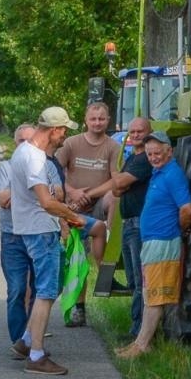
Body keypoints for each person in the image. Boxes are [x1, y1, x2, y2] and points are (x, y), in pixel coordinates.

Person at [9, 106, 86, 375]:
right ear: (53, 130)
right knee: (46, 292)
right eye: (63, 130)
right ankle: (37, 356)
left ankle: (26, 342)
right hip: (40, 230)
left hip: (32, 229)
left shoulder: (24, 152)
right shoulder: (34, 159)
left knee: (45, 289)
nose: (64, 135)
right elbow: (46, 202)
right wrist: (74, 217)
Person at [116, 130, 191, 359]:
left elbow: (187, 208)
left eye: (157, 153)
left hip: (163, 241)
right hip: (153, 242)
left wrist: (180, 229)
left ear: (169, 151)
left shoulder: (172, 174)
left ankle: (142, 346)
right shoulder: (159, 172)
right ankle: (140, 342)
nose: (153, 157)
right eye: (149, 154)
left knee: (155, 296)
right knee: (151, 293)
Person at [57, 101, 116, 325]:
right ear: (86, 120)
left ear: (108, 121)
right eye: (93, 118)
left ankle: (105, 269)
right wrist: (72, 192)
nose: (97, 122)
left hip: (98, 202)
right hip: (72, 207)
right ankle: (78, 308)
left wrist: (89, 194)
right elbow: (56, 171)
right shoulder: (71, 143)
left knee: (115, 197)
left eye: (102, 119)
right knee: (76, 259)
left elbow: (115, 179)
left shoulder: (112, 146)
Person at [98, 117, 152, 338]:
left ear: (149, 132)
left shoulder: (145, 159)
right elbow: (118, 190)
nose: (136, 135)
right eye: (132, 131)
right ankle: (135, 324)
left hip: (140, 223)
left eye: (140, 131)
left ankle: (138, 331)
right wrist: (120, 182)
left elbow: (118, 185)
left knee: (140, 281)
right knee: (132, 279)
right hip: (129, 223)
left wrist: (119, 180)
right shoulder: (133, 158)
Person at [0, 122, 35, 350]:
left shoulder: (44, 166)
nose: (26, 145)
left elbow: (56, 195)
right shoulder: (6, 168)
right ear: (14, 143)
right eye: (21, 141)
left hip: (39, 234)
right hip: (13, 235)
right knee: (18, 288)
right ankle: (19, 341)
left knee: (40, 289)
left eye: (30, 140)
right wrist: (35, 192)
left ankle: (32, 335)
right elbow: (4, 201)